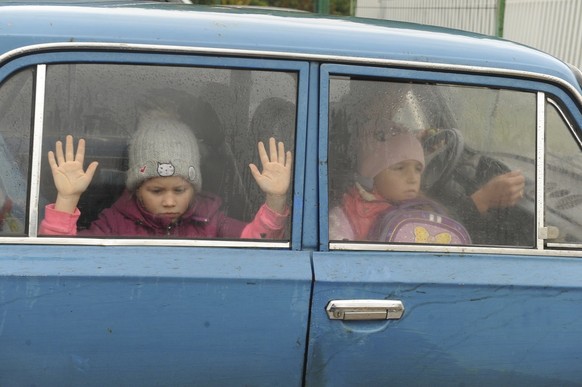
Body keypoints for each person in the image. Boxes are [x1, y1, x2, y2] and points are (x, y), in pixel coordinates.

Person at [39, 110, 292, 238]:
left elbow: (257, 243)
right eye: (156, 190)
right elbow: (62, 259)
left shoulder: (210, 220)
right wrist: (67, 199)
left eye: (179, 190)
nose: (169, 201)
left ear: (194, 188)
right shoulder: (114, 223)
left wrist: (275, 200)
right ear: (137, 188)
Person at [329, 119, 430, 241]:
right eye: (399, 168)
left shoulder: (425, 209)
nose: (412, 178)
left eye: (418, 169)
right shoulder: (348, 216)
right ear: (372, 175)